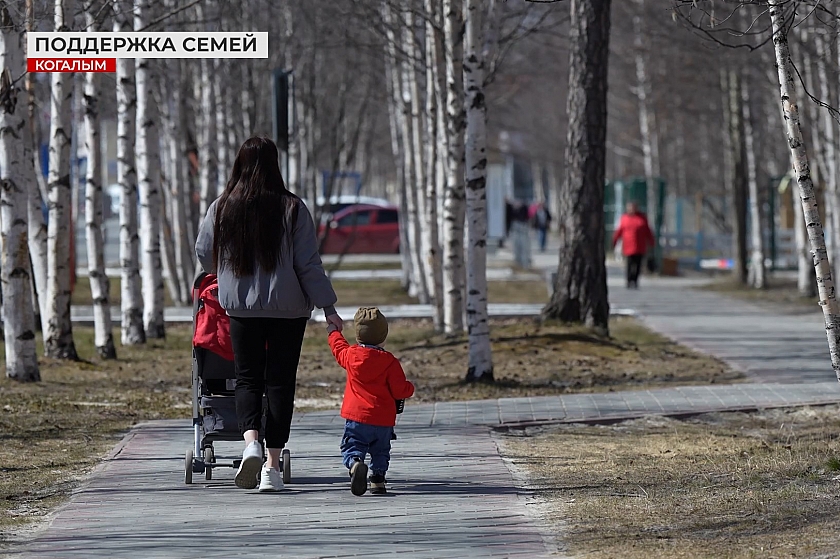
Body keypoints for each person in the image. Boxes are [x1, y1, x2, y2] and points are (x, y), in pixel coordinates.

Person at [195, 137, 343, 492]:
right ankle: (272, 469)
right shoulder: (293, 208)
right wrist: (329, 308)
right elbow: (307, 264)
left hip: (241, 308)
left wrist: (228, 273)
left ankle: (250, 445)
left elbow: (204, 252)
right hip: (288, 311)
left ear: (239, 165)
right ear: (275, 165)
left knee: (246, 379)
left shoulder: (222, 207)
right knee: (279, 384)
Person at [327, 307, 415, 496]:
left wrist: (333, 332)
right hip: (383, 419)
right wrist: (410, 388)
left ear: (358, 335)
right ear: (383, 336)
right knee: (381, 450)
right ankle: (378, 480)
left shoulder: (350, 356)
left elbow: (338, 348)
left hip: (357, 417)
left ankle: (355, 464)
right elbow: (400, 389)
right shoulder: (390, 361)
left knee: (353, 445)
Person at [611, 201, 655, 289]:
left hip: (640, 246)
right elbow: (619, 231)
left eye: (634, 207)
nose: (632, 209)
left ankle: (635, 280)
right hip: (628, 246)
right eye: (630, 207)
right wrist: (614, 241)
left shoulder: (642, 218)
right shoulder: (624, 218)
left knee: (638, 264)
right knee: (629, 263)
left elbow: (648, 231)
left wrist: (651, 242)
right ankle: (629, 280)